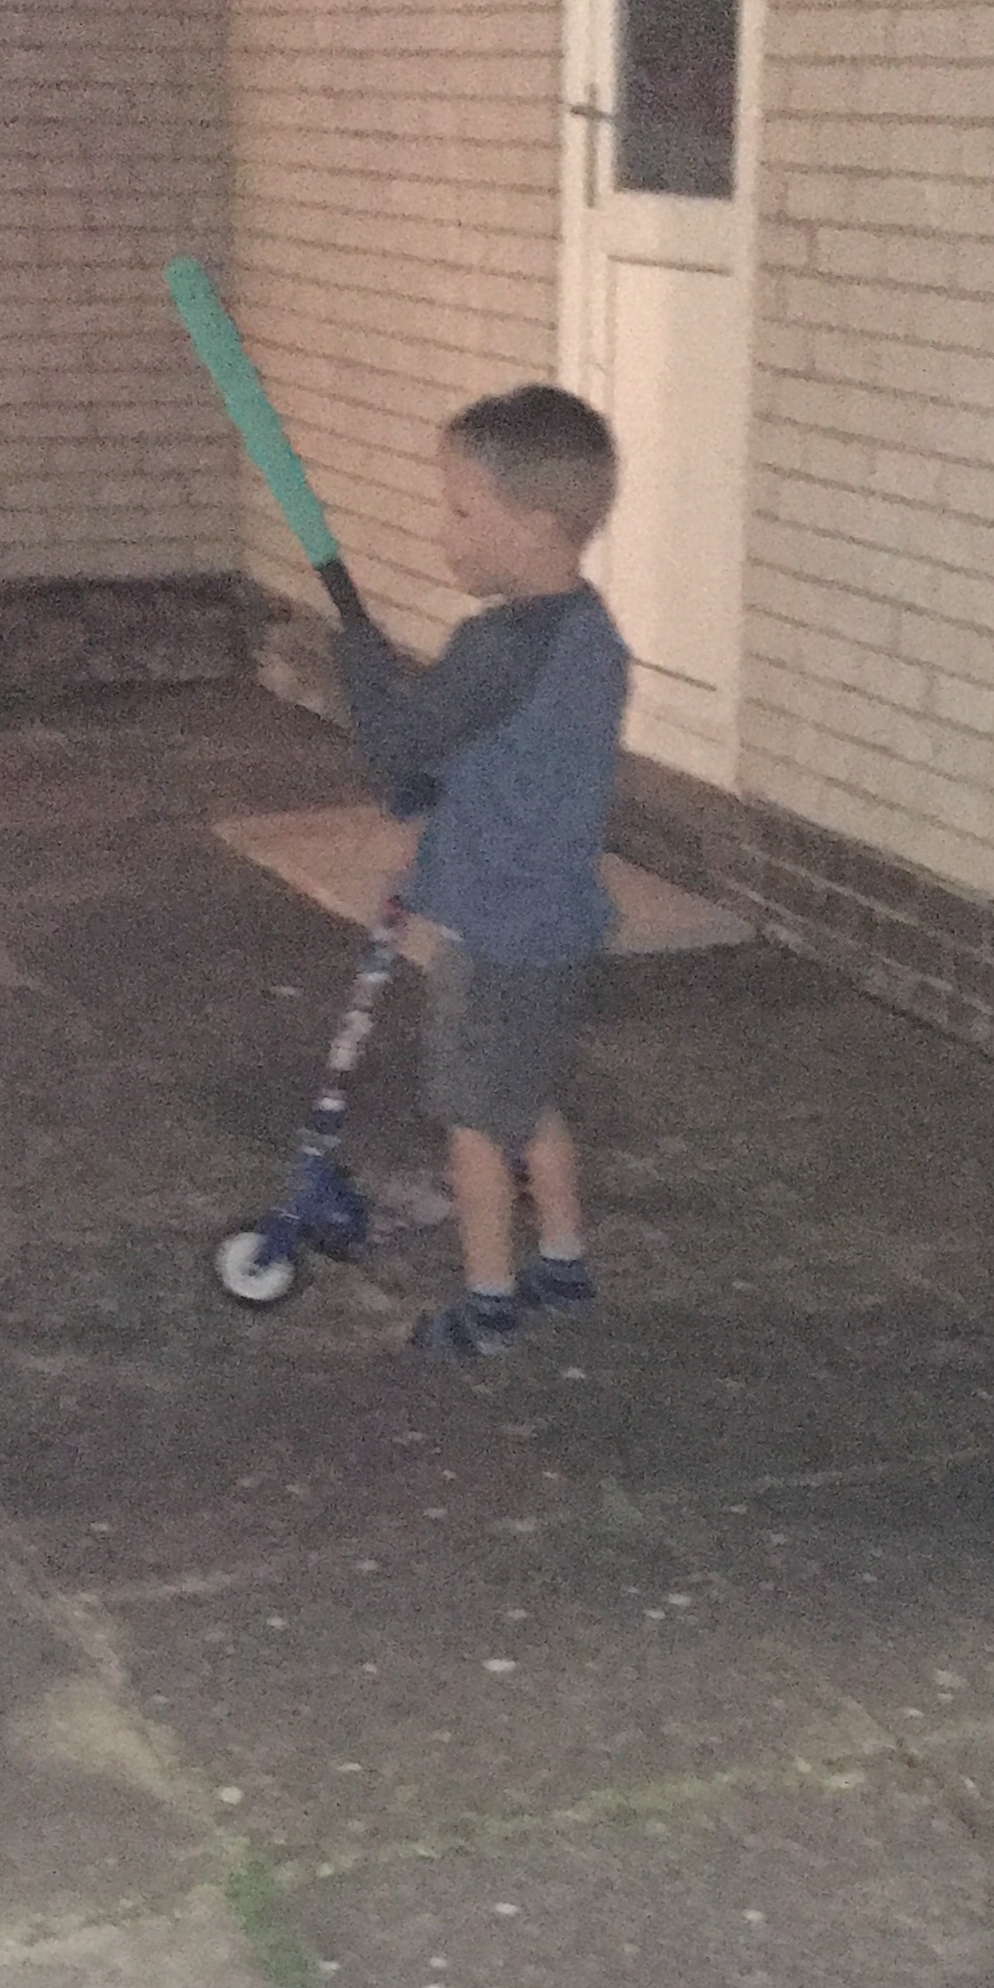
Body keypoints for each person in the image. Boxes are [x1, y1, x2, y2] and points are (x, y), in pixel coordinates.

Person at [334, 386, 629, 1364]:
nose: (443, 532)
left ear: (535, 525)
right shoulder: (588, 634)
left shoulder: (495, 648)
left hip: (497, 930)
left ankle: (490, 1302)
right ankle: (564, 1262)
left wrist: (361, 663)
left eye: (462, 511)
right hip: (558, 919)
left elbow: (396, 747)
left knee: (473, 1119)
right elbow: (490, 750)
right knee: (526, 1097)